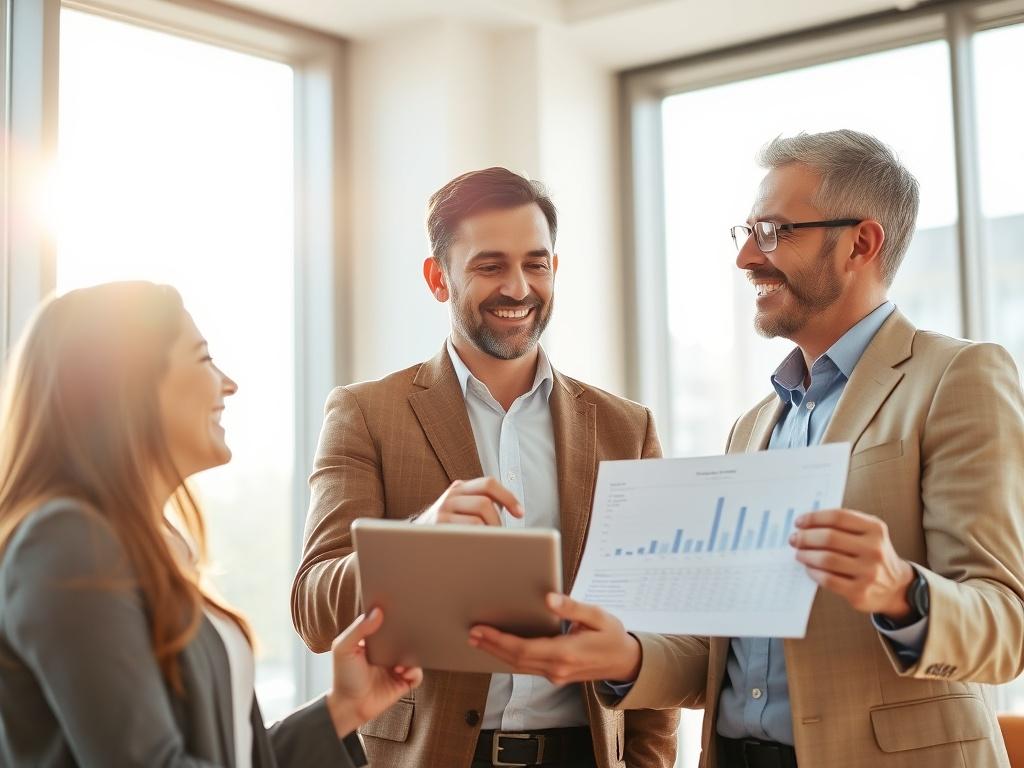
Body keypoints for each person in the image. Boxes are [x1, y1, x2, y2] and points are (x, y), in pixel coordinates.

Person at [468, 130, 1024, 767]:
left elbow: (1005, 625)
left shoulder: (955, 377)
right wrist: (624, 654)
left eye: (775, 232)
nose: (747, 259)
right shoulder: (754, 424)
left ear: (861, 244)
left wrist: (901, 591)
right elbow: (724, 654)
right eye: (747, 233)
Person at [291, 167, 679, 768]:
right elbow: (314, 610)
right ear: (437, 279)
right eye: (490, 266)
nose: (519, 288)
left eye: (537, 263)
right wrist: (418, 541)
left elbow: (652, 624)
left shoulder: (627, 429)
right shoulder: (368, 413)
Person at [0, 281, 423, 767]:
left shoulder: (148, 545)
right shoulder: (66, 544)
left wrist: (344, 708)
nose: (228, 383)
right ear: (128, 383)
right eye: (203, 359)